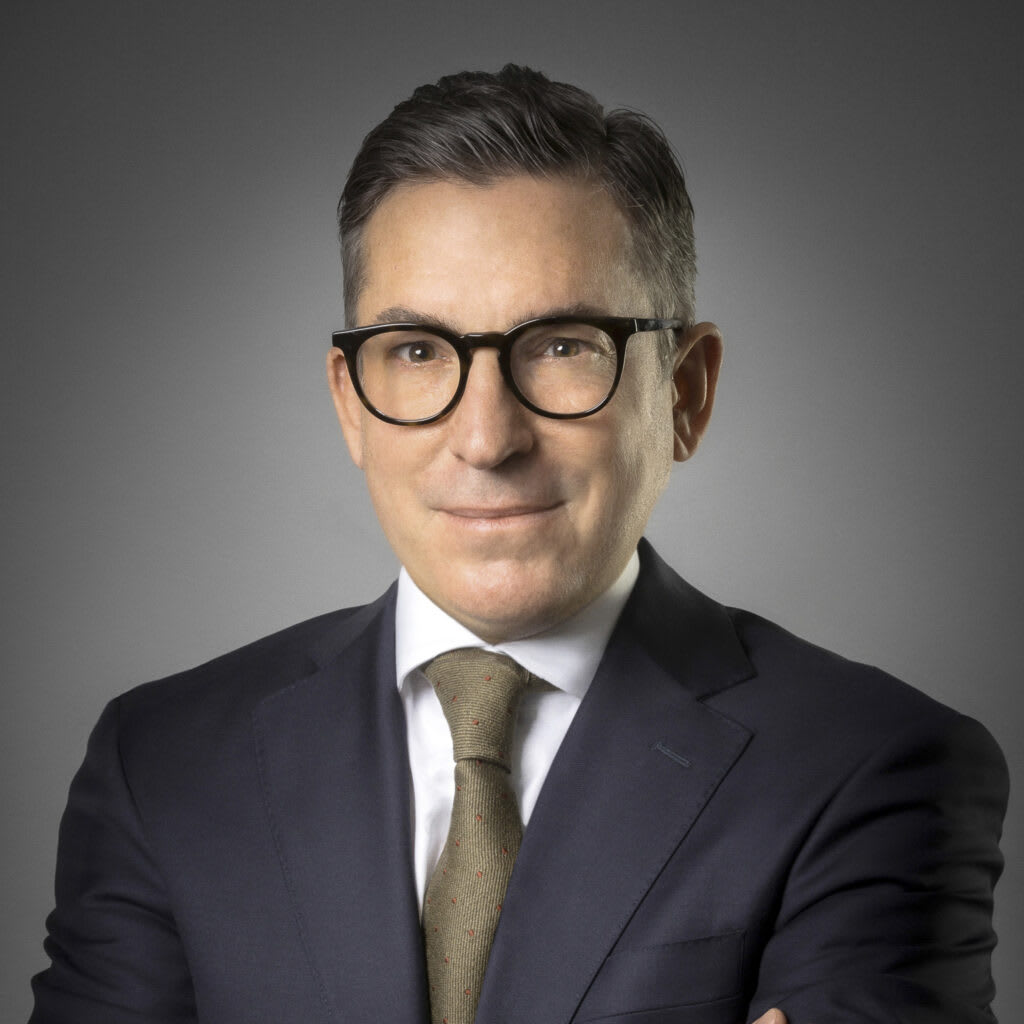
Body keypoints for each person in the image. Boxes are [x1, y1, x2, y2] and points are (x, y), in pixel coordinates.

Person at [30, 66, 1007, 1024]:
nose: (486, 438)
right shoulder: (164, 763)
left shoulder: (871, 764)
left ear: (685, 393)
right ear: (350, 404)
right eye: (418, 352)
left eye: (563, 345)